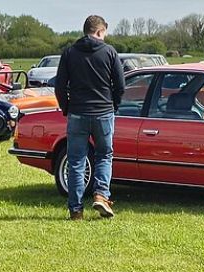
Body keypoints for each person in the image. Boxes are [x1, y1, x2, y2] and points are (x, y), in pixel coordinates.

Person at [54, 16, 124, 221]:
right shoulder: (109, 52)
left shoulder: (69, 53)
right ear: (100, 31)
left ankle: (76, 210)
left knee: (76, 161)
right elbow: (120, 85)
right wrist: (114, 106)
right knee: (104, 155)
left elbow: (59, 86)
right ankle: (101, 195)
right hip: (103, 112)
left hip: (77, 112)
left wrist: (66, 107)